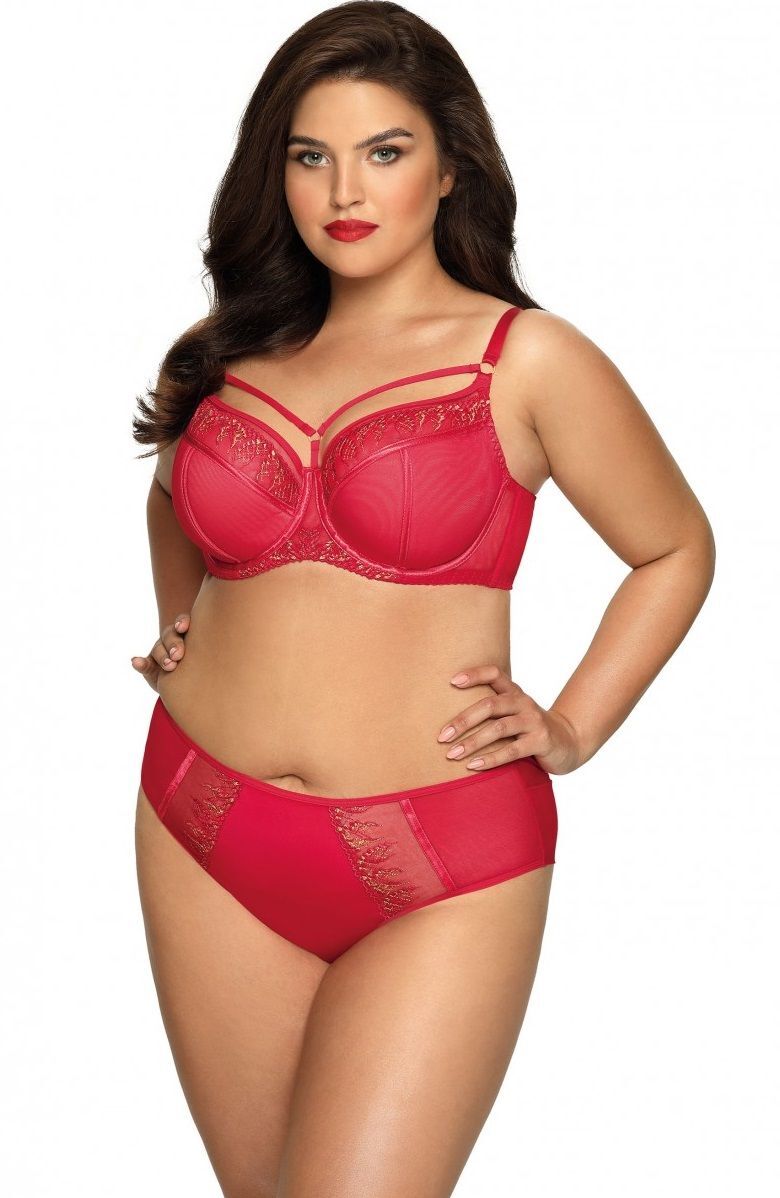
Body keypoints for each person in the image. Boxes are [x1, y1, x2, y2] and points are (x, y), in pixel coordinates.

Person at [130, 4, 715, 1196]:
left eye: (384, 151)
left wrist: (573, 726)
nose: (345, 190)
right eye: (311, 155)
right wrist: (181, 620)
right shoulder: (225, 349)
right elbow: (172, 495)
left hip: (444, 862)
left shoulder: (529, 358)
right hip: (201, 826)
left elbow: (673, 548)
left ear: (449, 168)